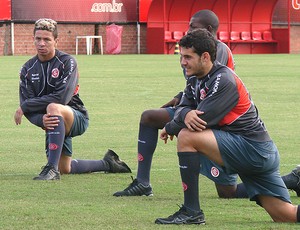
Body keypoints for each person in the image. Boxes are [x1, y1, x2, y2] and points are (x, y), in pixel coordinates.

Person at [113, 10, 300, 198]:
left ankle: (289, 180)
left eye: (193, 26)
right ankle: (143, 182)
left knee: (228, 192)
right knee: (150, 117)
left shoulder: (216, 52)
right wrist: (181, 99)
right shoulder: (193, 48)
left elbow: (212, 92)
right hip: (195, 108)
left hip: (212, 115)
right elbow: (196, 84)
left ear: (208, 30)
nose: (188, 30)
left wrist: (174, 123)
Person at [155, 28, 300, 225]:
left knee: (187, 136)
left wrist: (173, 125)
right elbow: (182, 107)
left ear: (205, 57)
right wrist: (184, 113)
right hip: (251, 151)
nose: (183, 62)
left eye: (188, 57)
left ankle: (191, 212)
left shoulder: (224, 79)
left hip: (254, 150)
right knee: (286, 216)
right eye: (181, 56)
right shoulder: (194, 80)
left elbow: (200, 120)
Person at [14, 18, 131, 180]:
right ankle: (108, 163)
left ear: (56, 40)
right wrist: (41, 120)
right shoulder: (27, 69)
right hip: (54, 121)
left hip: (76, 116)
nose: (41, 43)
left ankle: (51, 170)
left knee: (54, 107)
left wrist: (26, 106)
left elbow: (60, 98)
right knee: (65, 168)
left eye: (47, 39)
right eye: (38, 38)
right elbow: (27, 106)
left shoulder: (67, 62)